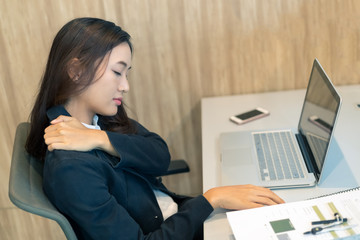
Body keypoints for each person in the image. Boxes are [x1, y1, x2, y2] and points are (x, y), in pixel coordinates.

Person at [26, 17, 284, 240]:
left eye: (127, 73)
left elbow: (160, 157)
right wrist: (211, 200)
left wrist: (101, 138)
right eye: (117, 72)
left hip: (179, 219)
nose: (125, 86)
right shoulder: (71, 168)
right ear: (76, 71)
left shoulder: (100, 119)